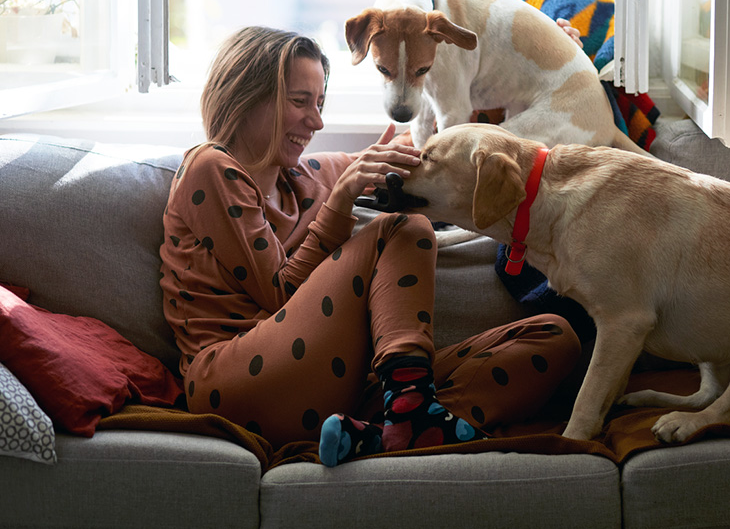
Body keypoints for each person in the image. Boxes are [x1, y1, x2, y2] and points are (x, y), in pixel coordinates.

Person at [159, 25, 581, 465]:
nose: (316, 121)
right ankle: (413, 410)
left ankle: (389, 432)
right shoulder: (209, 166)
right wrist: (340, 200)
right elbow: (279, 292)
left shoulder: (306, 176)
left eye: (319, 104)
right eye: (300, 101)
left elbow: (417, 152)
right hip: (236, 381)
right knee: (404, 228)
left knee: (555, 338)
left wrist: (535, 57)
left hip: (337, 384)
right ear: (246, 96)